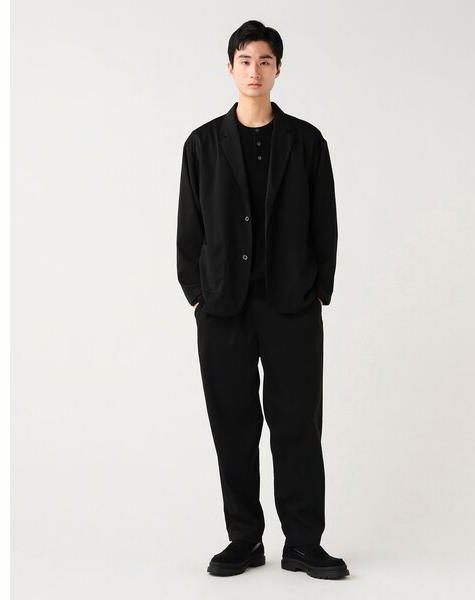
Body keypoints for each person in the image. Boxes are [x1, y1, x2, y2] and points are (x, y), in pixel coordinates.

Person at [176, 20, 348, 580]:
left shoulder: (306, 142)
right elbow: (189, 229)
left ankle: (303, 543)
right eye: (245, 60)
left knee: (297, 426)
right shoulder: (202, 144)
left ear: (278, 69)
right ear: (230, 68)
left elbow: (325, 222)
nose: (255, 70)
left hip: (291, 305)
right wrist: (198, 295)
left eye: (265, 60)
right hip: (223, 308)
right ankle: (244, 539)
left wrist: (318, 289)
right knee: (233, 426)